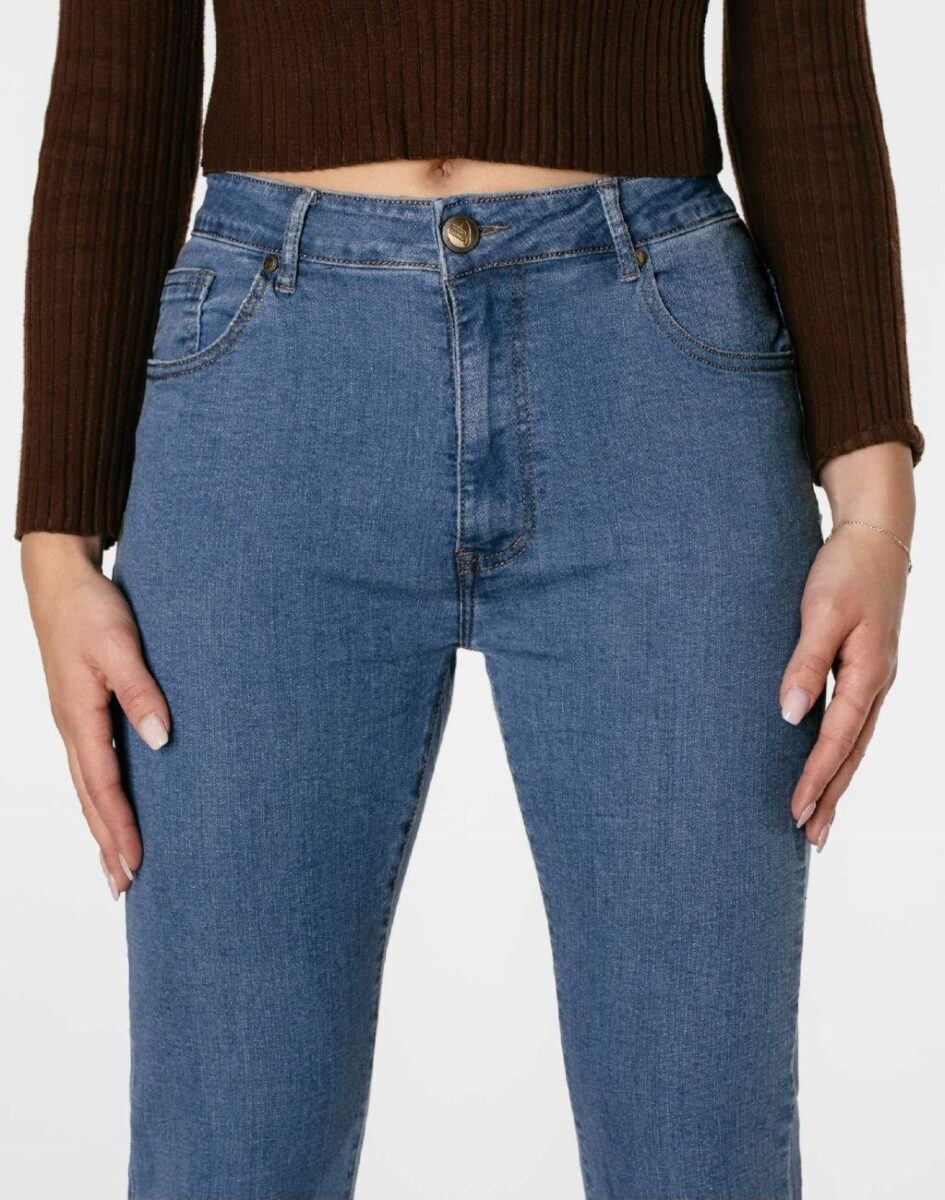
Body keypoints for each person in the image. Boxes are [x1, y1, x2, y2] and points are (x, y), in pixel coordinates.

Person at [18, 2, 920, 1197]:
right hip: (272, 389)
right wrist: (58, 539)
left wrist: (874, 504)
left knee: (700, 1152)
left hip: (655, 378)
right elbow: (115, 84)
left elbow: (802, 48)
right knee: (225, 1155)